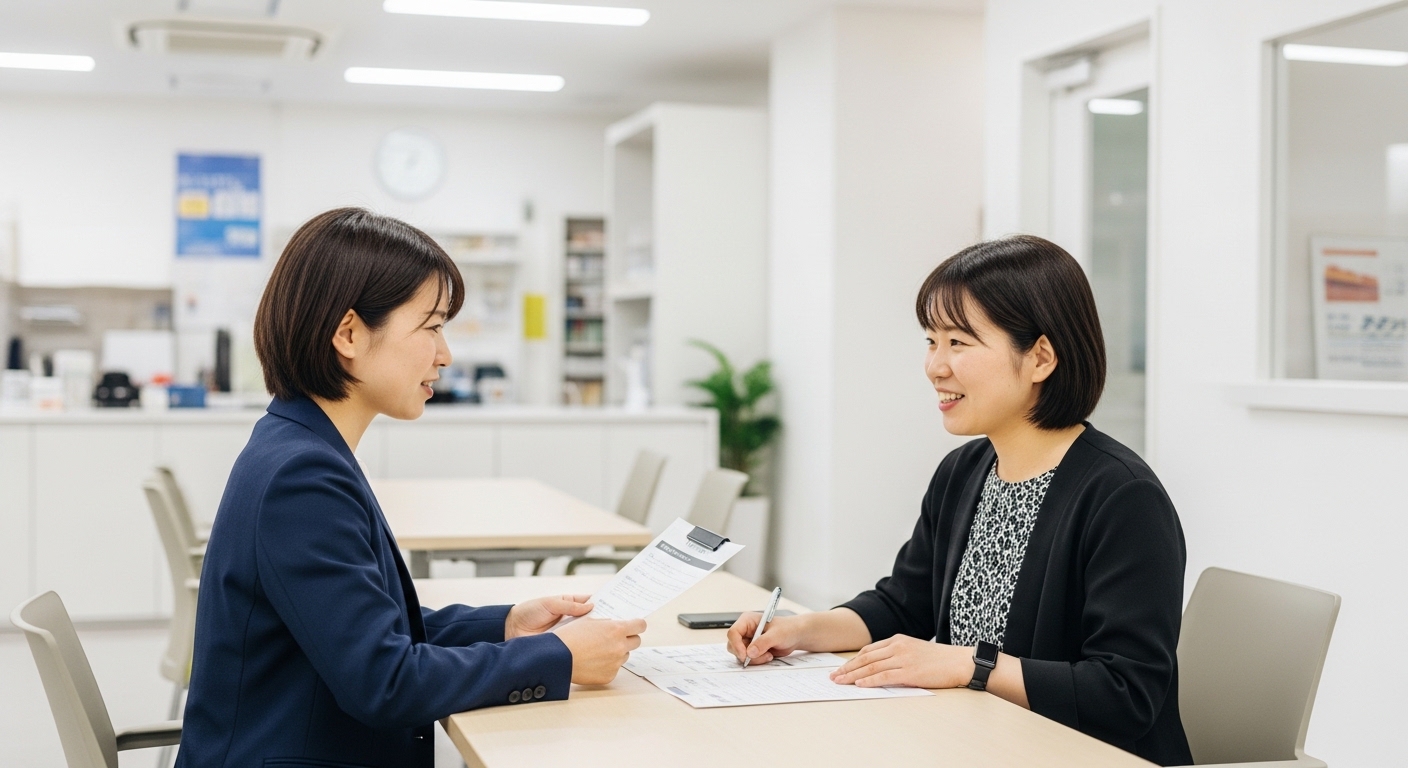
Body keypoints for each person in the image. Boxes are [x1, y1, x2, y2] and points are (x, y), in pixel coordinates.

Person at [178, 208, 645, 768]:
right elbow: (385, 682)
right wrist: (557, 656)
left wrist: (506, 626)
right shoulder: (301, 479)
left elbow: (371, 630)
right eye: (432, 327)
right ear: (348, 333)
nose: (445, 354)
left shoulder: (296, 445)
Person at [728, 235, 1193, 766]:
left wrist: (971, 665)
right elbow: (905, 603)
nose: (935, 366)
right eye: (932, 340)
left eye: (960, 343)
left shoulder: (1122, 496)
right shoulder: (965, 470)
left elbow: (1125, 693)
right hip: (975, 744)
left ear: (1040, 357)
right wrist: (801, 629)